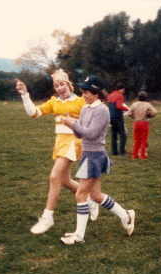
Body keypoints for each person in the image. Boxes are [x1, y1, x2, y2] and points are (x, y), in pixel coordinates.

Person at [16, 69, 99, 234]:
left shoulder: (81, 101)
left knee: (54, 177)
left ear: (69, 84)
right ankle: (89, 197)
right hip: (60, 143)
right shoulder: (54, 102)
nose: (60, 88)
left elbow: (96, 114)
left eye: (62, 84)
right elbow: (33, 113)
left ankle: (47, 217)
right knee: (65, 181)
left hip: (75, 142)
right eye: (56, 85)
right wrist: (25, 94)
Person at [59, 76, 135, 245]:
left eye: (86, 92)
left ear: (96, 92)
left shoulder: (102, 110)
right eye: (83, 92)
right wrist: (71, 124)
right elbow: (80, 134)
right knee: (96, 195)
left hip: (95, 156)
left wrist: (73, 124)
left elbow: (92, 134)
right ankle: (126, 215)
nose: (83, 95)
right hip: (87, 154)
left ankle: (79, 236)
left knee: (80, 194)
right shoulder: (86, 109)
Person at [124, 91, 157, 159]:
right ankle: (142, 155)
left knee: (136, 140)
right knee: (144, 140)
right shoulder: (147, 104)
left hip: (136, 123)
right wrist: (149, 114)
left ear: (138, 97)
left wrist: (134, 116)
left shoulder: (134, 104)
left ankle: (134, 155)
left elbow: (129, 113)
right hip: (144, 122)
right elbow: (154, 112)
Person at [107, 84, 129, 155]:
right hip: (118, 117)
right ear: (120, 89)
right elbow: (119, 106)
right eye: (123, 90)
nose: (123, 91)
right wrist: (127, 109)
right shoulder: (119, 95)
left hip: (111, 117)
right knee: (123, 135)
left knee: (114, 135)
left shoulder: (110, 95)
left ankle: (114, 151)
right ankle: (122, 151)